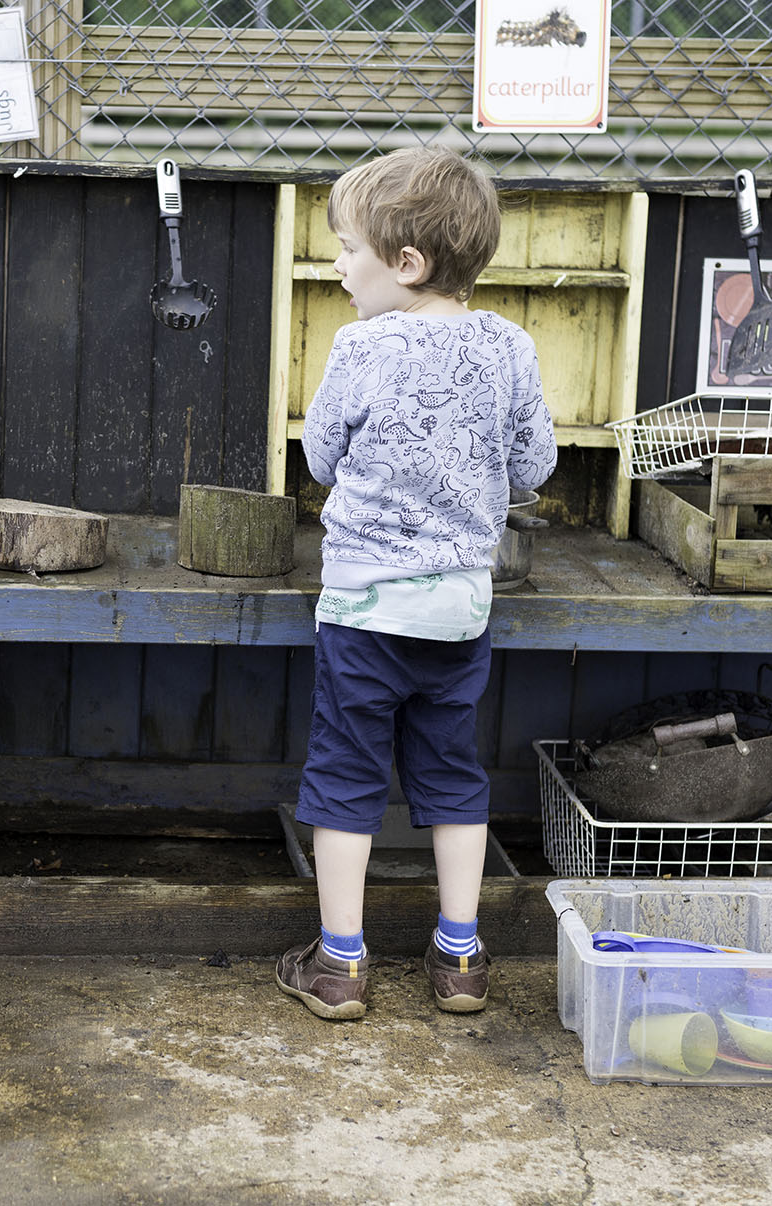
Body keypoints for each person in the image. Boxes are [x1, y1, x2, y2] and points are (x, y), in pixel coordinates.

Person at [275, 147, 556, 1021]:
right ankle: (460, 956)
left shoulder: (359, 346)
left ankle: (339, 964)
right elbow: (534, 464)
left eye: (347, 249)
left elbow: (318, 458)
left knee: (347, 776)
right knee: (450, 772)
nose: (336, 265)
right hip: (459, 610)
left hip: (363, 608)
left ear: (406, 264)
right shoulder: (510, 345)